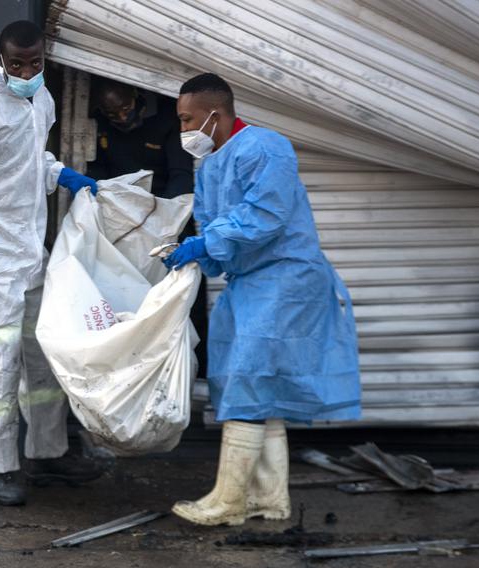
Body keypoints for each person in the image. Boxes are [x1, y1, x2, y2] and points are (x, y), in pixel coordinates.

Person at [164, 73, 361, 526]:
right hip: (251, 283)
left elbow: (265, 216)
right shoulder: (211, 163)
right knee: (254, 387)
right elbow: (216, 228)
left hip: (284, 278)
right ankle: (269, 500)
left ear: (216, 113)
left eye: (187, 119)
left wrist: (207, 243)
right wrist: (192, 252)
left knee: (249, 383)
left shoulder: (265, 147)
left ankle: (229, 501)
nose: (183, 130)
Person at [0, 20, 103, 506]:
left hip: (30, 256)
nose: (26, 71)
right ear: (1, 59)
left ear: (44, 56)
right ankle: (0, 467)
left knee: (43, 362)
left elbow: (27, 163)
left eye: (34, 62)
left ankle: (48, 454)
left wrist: (60, 173)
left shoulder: (42, 99)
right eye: (16, 64)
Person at [86, 78, 207, 376]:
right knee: (131, 295)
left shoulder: (165, 118)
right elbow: (99, 169)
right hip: (125, 224)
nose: (122, 117)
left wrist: (160, 219)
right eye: (113, 113)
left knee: (182, 294)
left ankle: (195, 371)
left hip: (168, 219)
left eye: (125, 108)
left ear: (137, 95)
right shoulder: (99, 124)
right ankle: (135, 370)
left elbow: (181, 175)